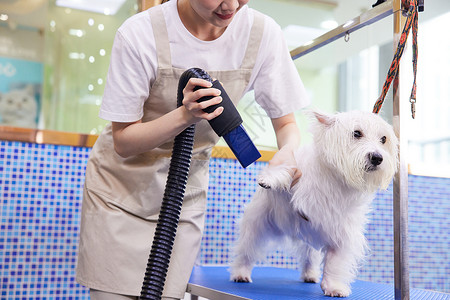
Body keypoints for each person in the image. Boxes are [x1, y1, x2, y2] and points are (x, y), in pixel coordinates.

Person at [76, 0, 310, 299]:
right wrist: (185, 115)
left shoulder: (262, 34)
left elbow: (287, 124)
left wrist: (288, 151)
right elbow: (123, 141)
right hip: (120, 192)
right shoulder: (140, 32)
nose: (231, 5)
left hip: (184, 192)